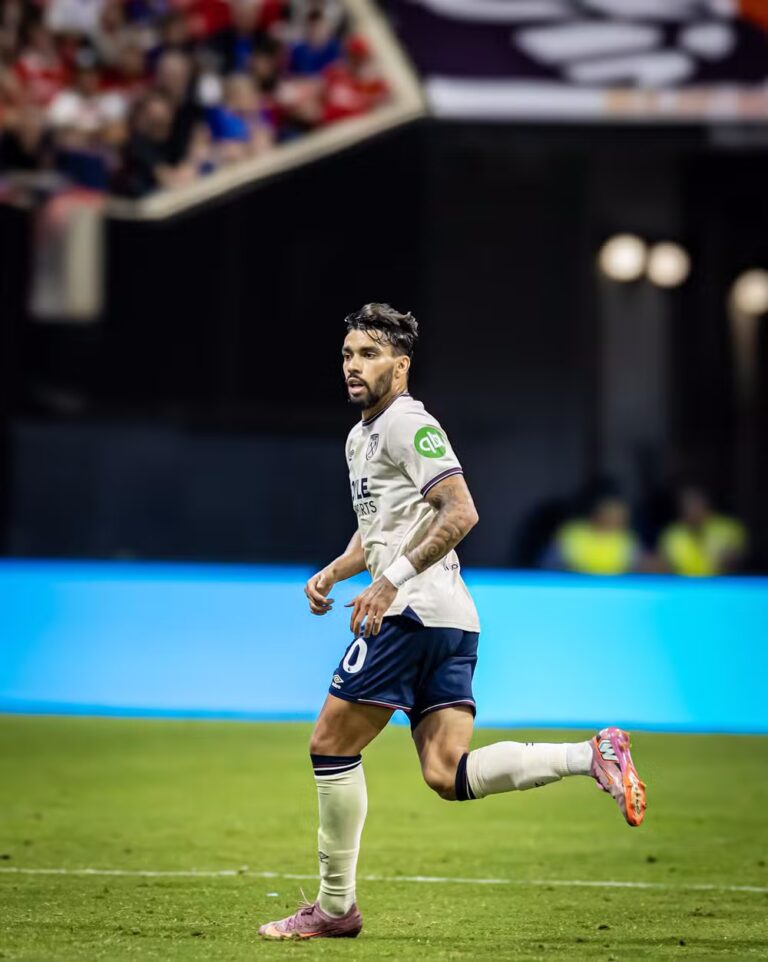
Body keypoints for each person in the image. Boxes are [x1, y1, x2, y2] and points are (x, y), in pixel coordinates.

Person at [258, 303, 647, 941]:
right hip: (449, 619)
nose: (354, 366)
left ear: (401, 367)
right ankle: (592, 754)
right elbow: (380, 529)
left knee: (330, 744)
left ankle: (334, 909)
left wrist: (389, 581)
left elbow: (460, 510)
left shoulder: (409, 424)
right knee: (446, 772)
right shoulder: (361, 437)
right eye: (348, 354)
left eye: (370, 355)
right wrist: (336, 571)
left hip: (411, 614)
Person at [546, 492, 643, 575]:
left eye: (618, 516)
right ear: (597, 514)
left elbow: (636, 570)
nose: (612, 519)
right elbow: (550, 564)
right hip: (573, 585)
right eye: (609, 514)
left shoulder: (627, 539)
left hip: (613, 587)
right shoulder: (573, 533)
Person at [659, 486, 747, 577]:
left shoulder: (728, 528)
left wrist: (729, 559)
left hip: (722, 582)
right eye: (689, 506)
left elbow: (740, 559)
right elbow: (663, 565)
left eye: (697, 505)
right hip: (684, 584)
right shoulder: (672, 535)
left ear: (707, 505)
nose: (694, 511)